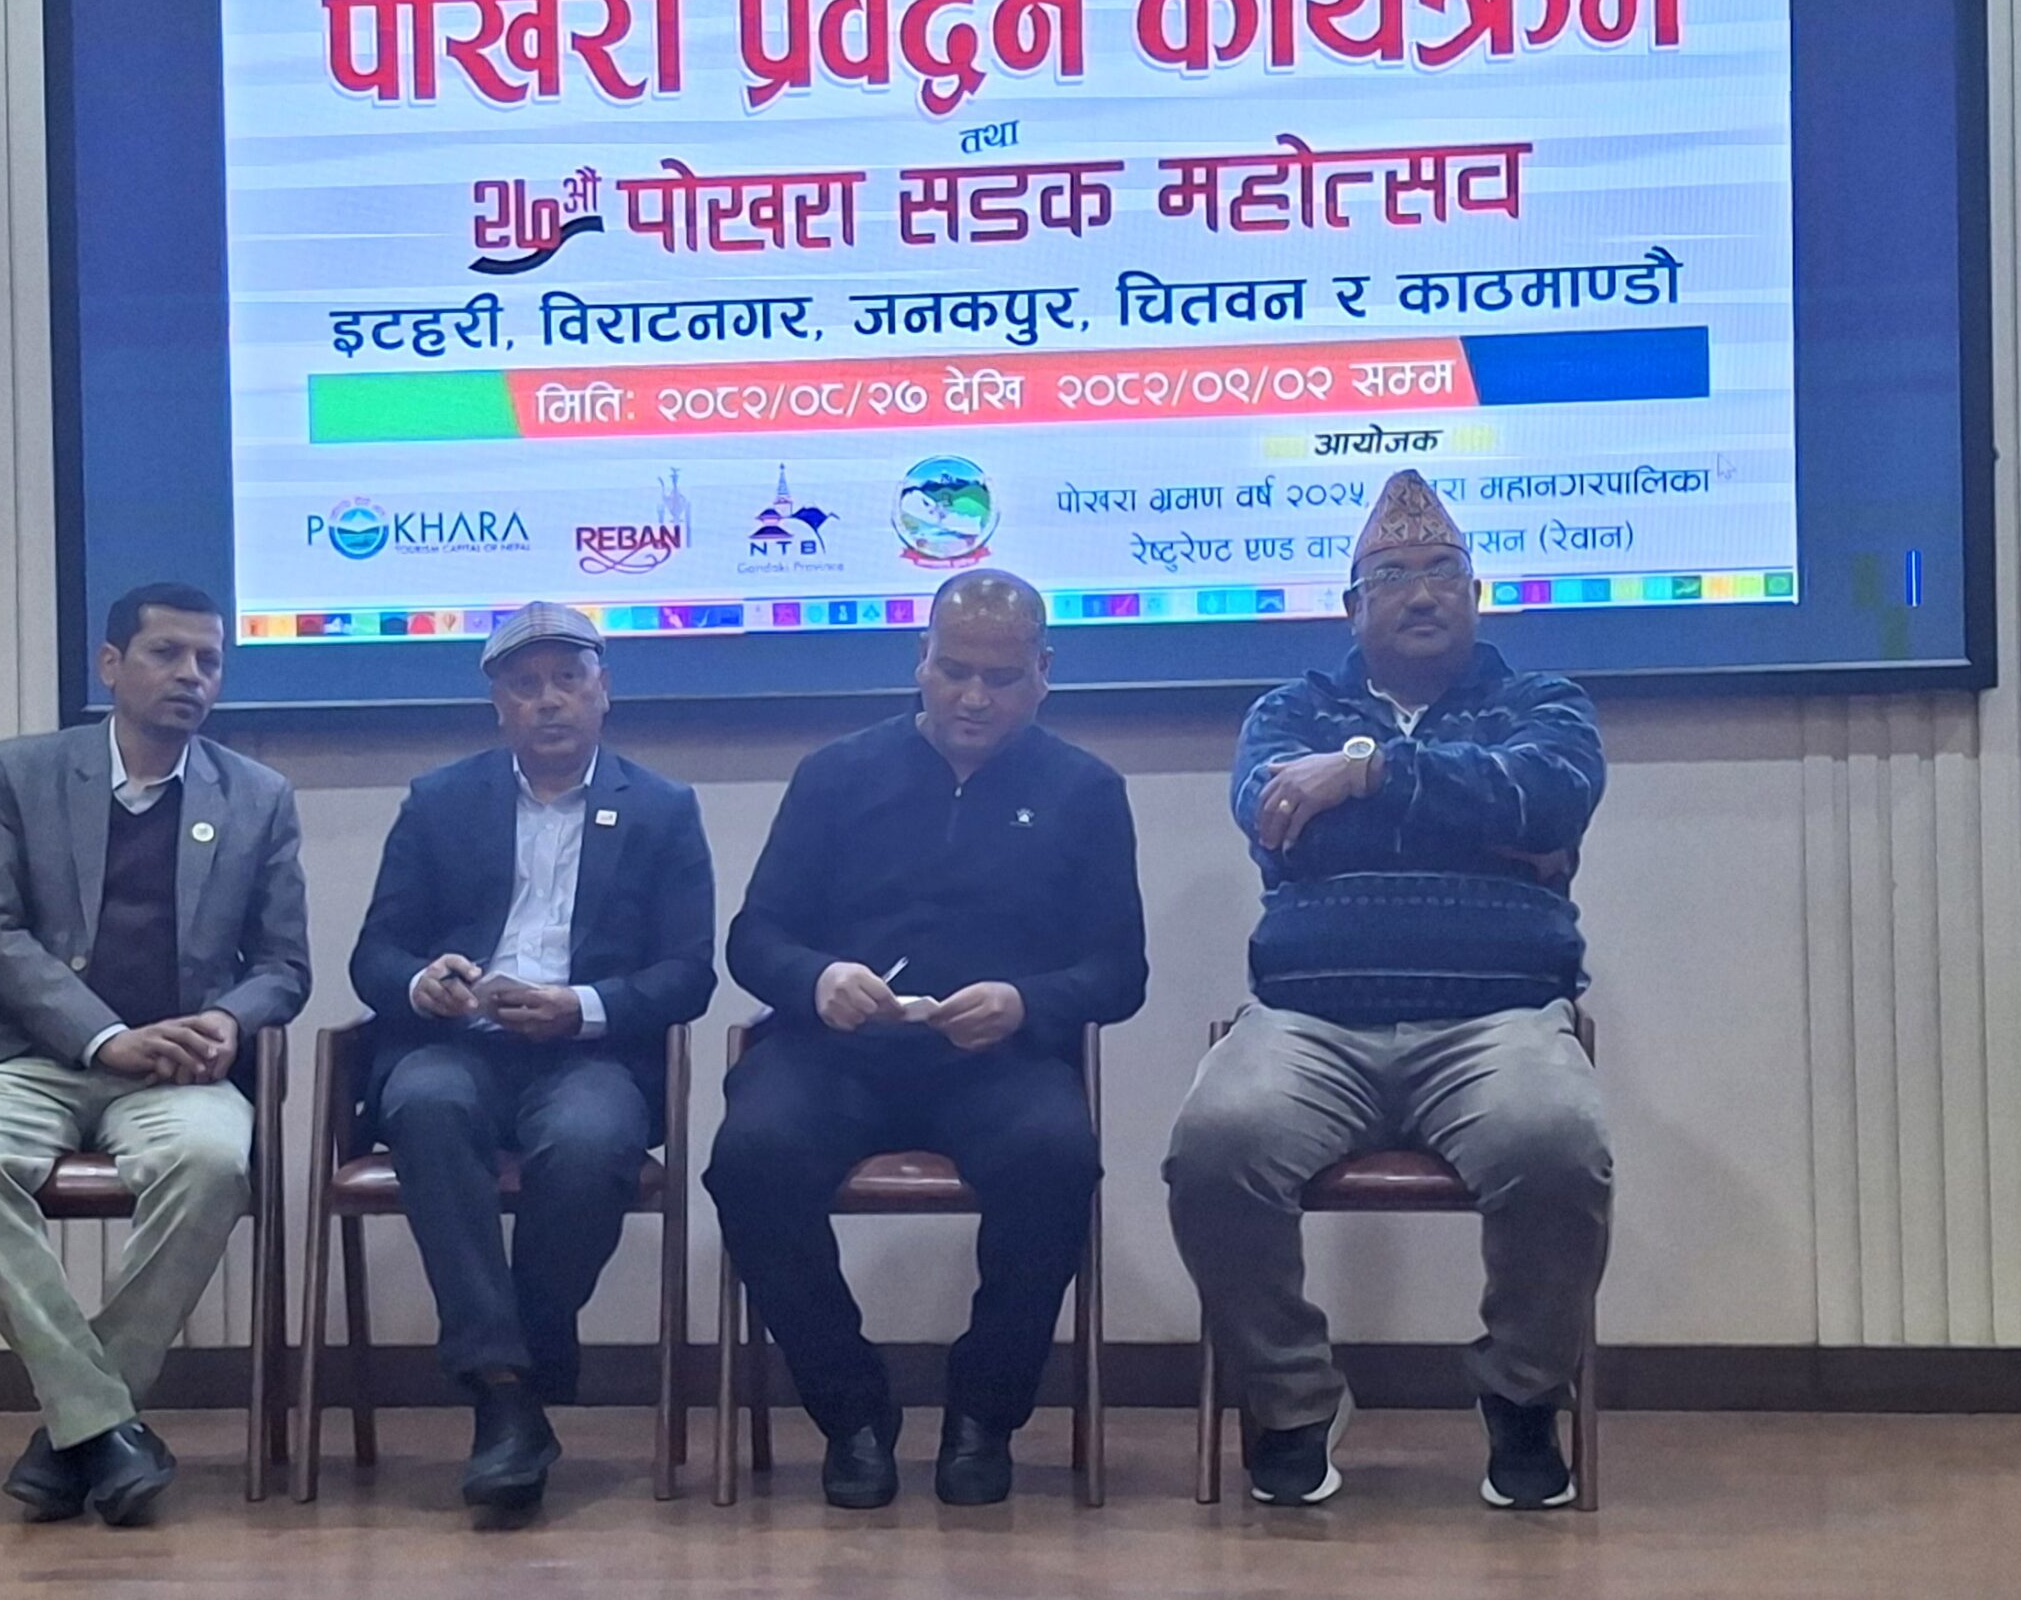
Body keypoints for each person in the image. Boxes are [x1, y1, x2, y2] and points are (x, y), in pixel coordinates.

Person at [1164, 470, 1612, 1511]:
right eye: (1394, 575)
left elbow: (1549, 798)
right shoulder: (1290, 711)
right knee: (1215, 1146)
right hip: (1308, 1022)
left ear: (1476, 593)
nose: (1421, 592)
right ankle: (1291, 1400)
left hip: (1501, 1019)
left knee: (1557, 1144)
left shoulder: (1542, 703)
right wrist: (1482, 824)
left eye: (1442, 571)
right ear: (1351, 605)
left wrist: (1363, 775)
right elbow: (1277, 819)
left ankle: (1521, 1395)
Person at [706, 570, 1148, 1509]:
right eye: (954, 672)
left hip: (996, 1061)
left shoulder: (1085, 790)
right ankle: (852, 1412)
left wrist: (1026, 1002)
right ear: (921, 662)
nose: (973, 697)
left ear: (1044, 673)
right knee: (750, 1159)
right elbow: (755, 938)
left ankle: (984, 1412)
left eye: (1001, 677)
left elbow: (1121, 972)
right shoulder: (836, 774)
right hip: (835, 1053)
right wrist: (818, 978)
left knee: (1057, 1159)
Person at [0, 582, 311, 1526]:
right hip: (26, 1055)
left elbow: (283, 965)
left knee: (214, 1163)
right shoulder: (18, 773)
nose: (191, 676)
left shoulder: (257, 797)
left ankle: (80, 1427)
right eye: (167, 654)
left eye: (209, 660)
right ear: (110, 666)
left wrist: (231, 1021)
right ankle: (101, 1423)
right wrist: (103, 1036)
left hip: (182, 1068)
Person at [349, 602, 716, 1512]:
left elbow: (688, 974)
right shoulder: (439, 801)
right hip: (459, 1046)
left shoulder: (663, 809)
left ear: (604, 691)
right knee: (424, 1105)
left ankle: (518, 1355)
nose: (548, 700)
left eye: (567, 680)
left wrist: (579, 1007)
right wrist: (423, 983)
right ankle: (509, 1391)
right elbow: (375, 956)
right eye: (525, 685)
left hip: (591, 1054)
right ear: (498, 705)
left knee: (588, 1143)